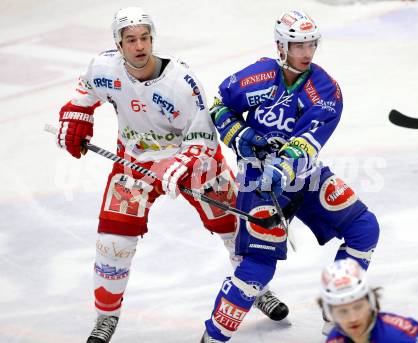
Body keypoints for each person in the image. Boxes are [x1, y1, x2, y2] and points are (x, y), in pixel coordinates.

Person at [54, 7, 288, 343]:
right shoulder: (104, 67)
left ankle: (256, 289)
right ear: (119, 44)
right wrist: (77, 114)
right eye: (131, 40)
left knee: (235, 230)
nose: (139, 46)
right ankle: (105, 318)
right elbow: (85, 90)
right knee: (113, 243)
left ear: (152, 38)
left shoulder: (180, 82)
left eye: (145, 38)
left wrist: (186, 164)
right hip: (135, 163)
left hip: (192, 162)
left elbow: (205, 134)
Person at [201, 9, 380, 342]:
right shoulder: (256, 76)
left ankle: (335, 314)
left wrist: (282, 166)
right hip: (258, 179)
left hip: (305, 177)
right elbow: (218, 105)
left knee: (364, 229)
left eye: (311, 44)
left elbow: (306, 143)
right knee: (257, 266)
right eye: (298, 46)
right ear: (281, 46)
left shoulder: (326, 89)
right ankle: (213, 337)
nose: (307, 53)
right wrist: (241, 137)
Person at [319, 258, 418, 343]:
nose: (353, 318)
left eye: (358, 307)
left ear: (371, 303)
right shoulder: (335, 338)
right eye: (343, 311)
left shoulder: (396, 336)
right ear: (331, 313)